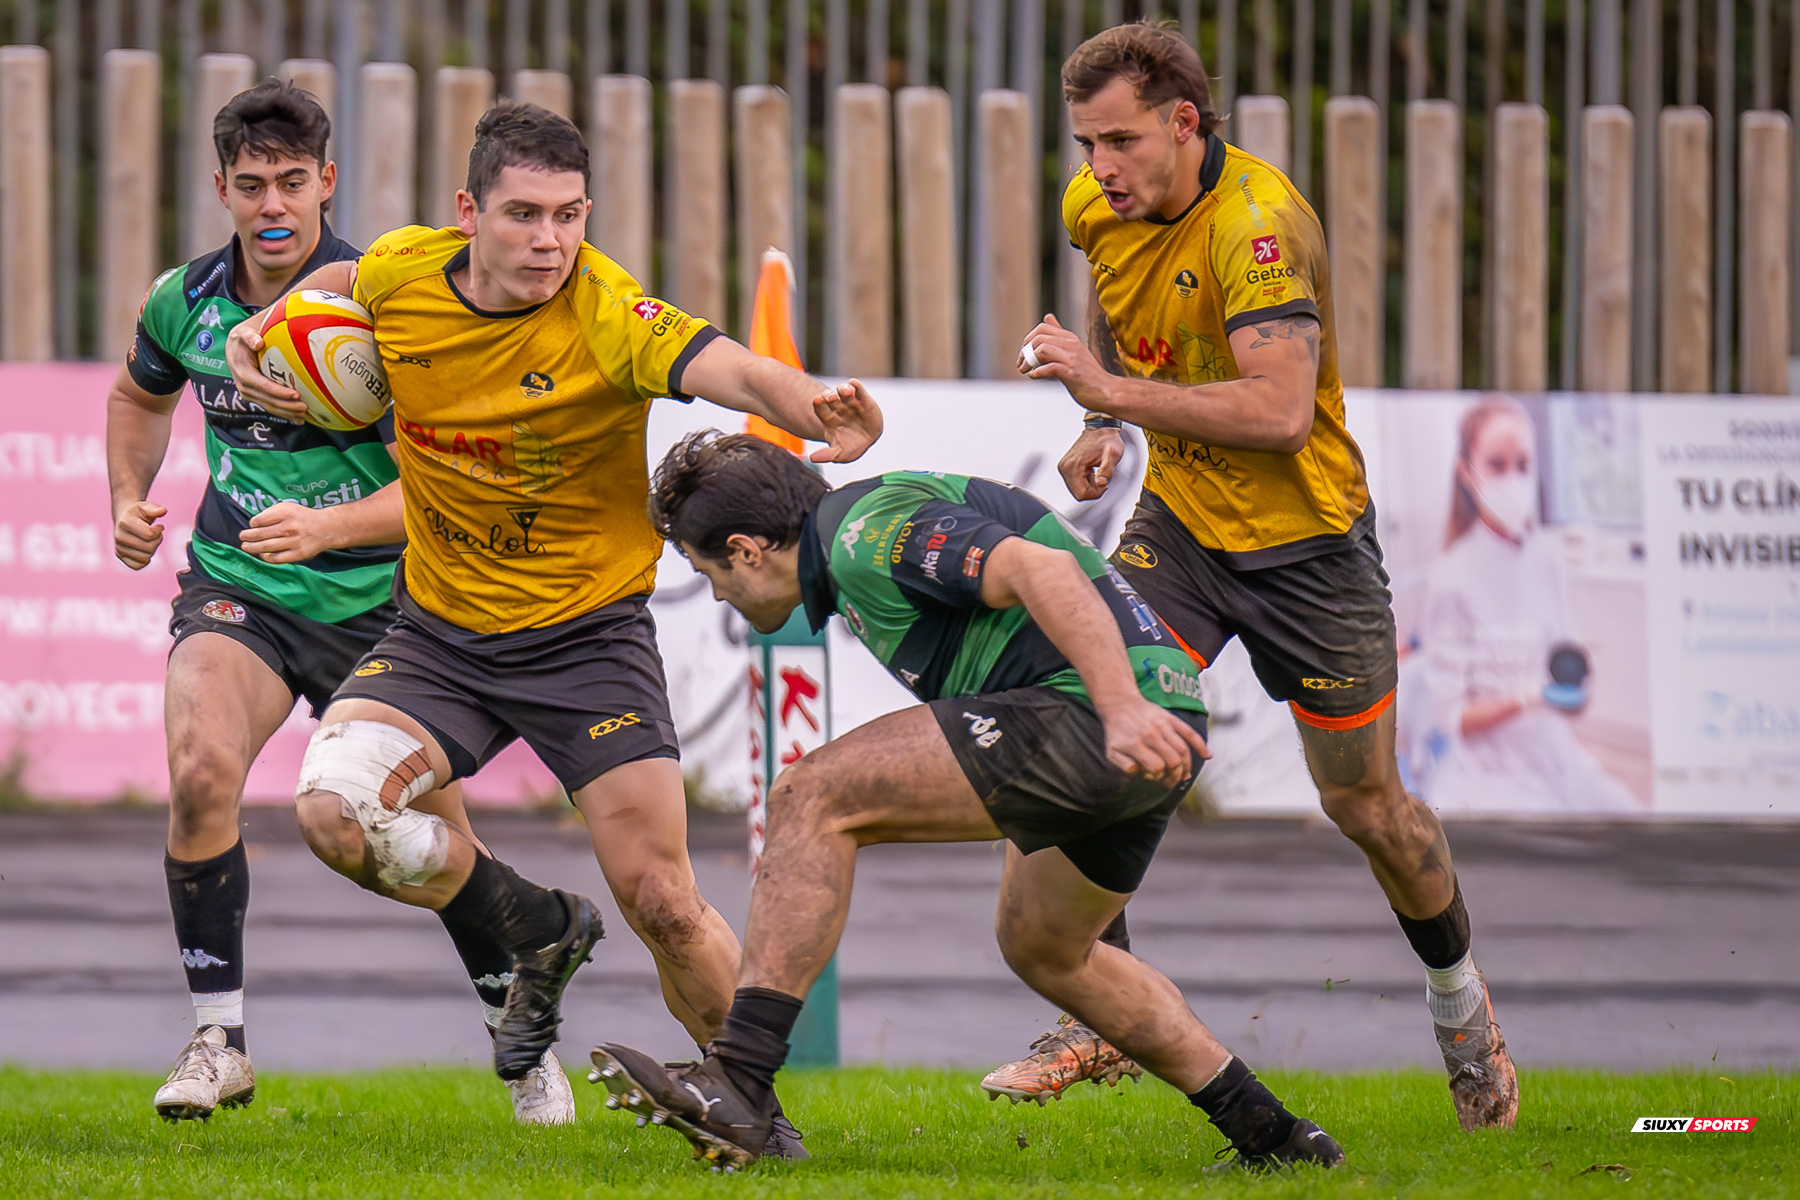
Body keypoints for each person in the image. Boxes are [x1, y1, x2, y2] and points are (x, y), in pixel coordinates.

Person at [224, 102, 880, 1153]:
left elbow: (732, 367)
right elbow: (341, 281)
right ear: (467, 214)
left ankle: (754, 1114)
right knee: (332, 817)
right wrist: (267, 322)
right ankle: (534, 924)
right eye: (524, 215)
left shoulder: (608, 312)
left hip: (588, 643)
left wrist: (816, 403)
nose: (550, 241)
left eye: (571, 216)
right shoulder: (401, 272)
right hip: (438, 636)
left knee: (664, 902)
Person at [1002, 21, 1517, 1130]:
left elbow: (1281, 416)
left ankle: (1460, 1005)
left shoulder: (1260, 226)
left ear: (1186, 123)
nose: (1098, 169)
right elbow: (1124, 302)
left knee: (1366, 805)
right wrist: (1103, 408)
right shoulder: (1101, 207)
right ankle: (1100, 1017)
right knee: (1076, 721)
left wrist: (1108, 390)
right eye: (1086, 142)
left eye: (1121, 141)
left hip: (1309, 552)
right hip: (1181, 531)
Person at [588, 431, 1346, 1174]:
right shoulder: (864, 522)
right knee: (1046, 948)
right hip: (1158, 720)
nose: (717, 590)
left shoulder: (863, 535)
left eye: (708, 570)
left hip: (1103, 715)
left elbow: (1039, 569)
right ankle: (1272, 1134)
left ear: (748, 549)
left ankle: (740, 1082)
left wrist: (1117, 708)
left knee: (810, 795)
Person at [108, 81, 570, 1125]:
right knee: (197, 772)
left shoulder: (392, 307)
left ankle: (521, 1031)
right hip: (243, 588)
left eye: (293, 181)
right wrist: (128, 499)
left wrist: (328, 526)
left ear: (326, 182)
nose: (274, 203)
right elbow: (138, 396)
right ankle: (217, 1040)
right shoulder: (183, 299)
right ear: (223, 187)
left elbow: (447, 484)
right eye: (252, 183)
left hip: (389, 608)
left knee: (422, 840)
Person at [1415, 397, 1639, 814]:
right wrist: (1525, 699)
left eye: (1523, 465)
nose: (1513, 479)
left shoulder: (1547, 558)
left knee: (1631, 818)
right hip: (1489, 780)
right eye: (1496, 465)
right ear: (1467, 473)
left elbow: (1566, 663)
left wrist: (1574, 689)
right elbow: (1450, 716)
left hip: (1557, 761)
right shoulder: (1451, 578)